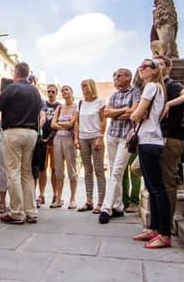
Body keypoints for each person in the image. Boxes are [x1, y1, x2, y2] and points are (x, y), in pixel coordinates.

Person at [0, 62, 42, 224]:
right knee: (27, 172)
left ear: (16, 73)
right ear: (27, 74)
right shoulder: (35, 91)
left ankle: (16, 212)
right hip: (32, 133)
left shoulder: (12, 88)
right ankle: (31, 211)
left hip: (14, 131)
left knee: (13, 171)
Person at [130, 57, 171, 249]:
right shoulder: (158, 87)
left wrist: (133, 114)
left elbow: (137, 114)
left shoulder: (151, 87)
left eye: (146, 66)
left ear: (155, 71)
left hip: (149, 140)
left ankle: (164, 233)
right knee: (151, 187)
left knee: (156, 188)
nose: (141, 68)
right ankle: (154, 228)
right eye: (140, 65)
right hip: (150, 139)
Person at [154, 56, 184, 219]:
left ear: (168, 68)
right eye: (154, 64)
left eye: (160, 64)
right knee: (140, 169)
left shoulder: (171, 84)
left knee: (168, 182)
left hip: (171, 138)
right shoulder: (156, 87)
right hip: (159, 137)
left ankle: (167, 221)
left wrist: (170, 104)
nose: (156, 66)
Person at [99, 68, 140, 224]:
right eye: (114, 76)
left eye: (118, 76)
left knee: (117, 171)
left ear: (128, 77)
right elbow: (107, 113)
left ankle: (106, 208)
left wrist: (117, 113)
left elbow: (134, 112)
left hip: (126, 137)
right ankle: (118, 206)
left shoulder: (135, 92)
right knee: (114, 171)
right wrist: (123, 111)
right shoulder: (114, 94)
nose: (115, 78)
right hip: (112, 135)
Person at [75, 79, 106, 213]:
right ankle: (89, 201)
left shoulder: (100, 102)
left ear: (91, 87)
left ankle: (100, 203)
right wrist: (76, 138)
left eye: (85, 85)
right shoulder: (80, 103)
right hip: (83, 138)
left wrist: (100, 137)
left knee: (99, 170)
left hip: (95, 138)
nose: (83, 88)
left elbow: (103, 120)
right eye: (81, 86)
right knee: (87, 170)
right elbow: (77, 122)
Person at [50, 85, 78, 209]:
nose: (64, 92)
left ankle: (72, 199)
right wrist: (64, 125)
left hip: (69, 140)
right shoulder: (59, 107)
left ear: (72, 92)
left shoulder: (76, 107)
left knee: (72, 169)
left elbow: (73, 124)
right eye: (62, 90)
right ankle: (58, 199)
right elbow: (52, 124)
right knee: (58, 170)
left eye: (67, 89)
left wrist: (60, 124)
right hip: (58, 139)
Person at [38, 85, 60, 206]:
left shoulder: (59, 106)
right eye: (49, 91)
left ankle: (55, 194)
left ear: (56, 93)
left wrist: (50, 136)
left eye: (53, 91)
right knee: (42, 169)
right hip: (42, 141)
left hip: (54, 140)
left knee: (55, 169)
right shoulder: (42, 105)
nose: (51, 93)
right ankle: (41, 194)